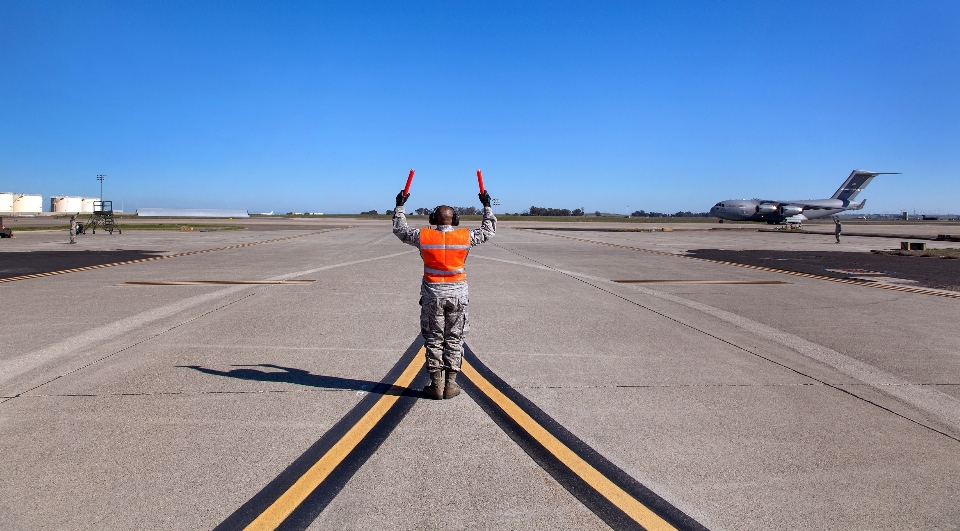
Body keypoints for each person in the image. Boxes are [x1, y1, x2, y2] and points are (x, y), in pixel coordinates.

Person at [393, 187, 496, 399]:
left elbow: (401, 230)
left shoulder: (424, 236)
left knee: (433, 338)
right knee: (455, 338)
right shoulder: (465, 236)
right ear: (454, 220)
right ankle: (451, 384)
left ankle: (436, 384)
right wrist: (487, 206)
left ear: (433, 218)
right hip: (458, 296)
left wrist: (400, 206)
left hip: (432, 295)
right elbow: (488, 230)